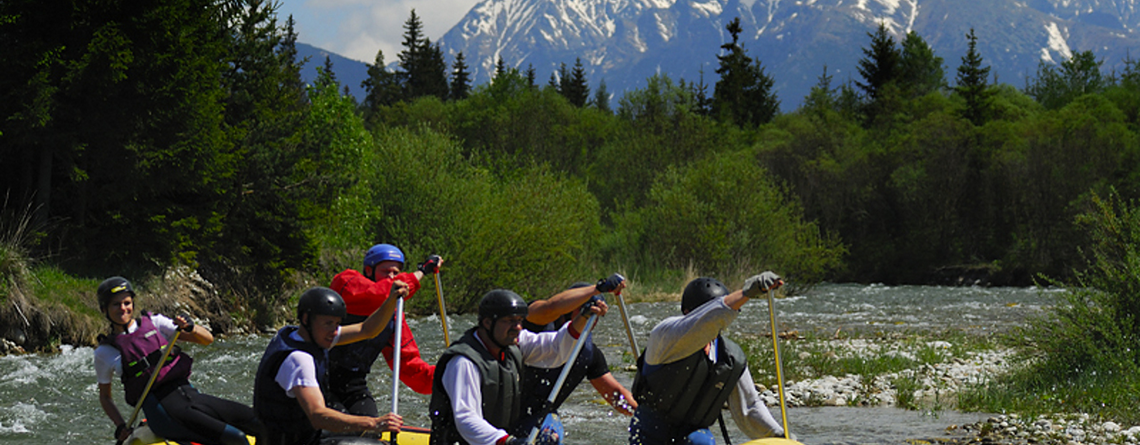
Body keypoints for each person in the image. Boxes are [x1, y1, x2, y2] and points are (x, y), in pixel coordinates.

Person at [94, 276, 263, 445]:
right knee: (237, 439)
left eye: (127, 303)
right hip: (162, 412)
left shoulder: (155, 323)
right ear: (104, 309)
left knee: (261, 423)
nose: (123, 308)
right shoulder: (105, 352)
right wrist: (120, 425)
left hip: (190, 395)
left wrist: (191, 327)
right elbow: (105, 398)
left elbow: (207, 339)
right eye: (116, 304)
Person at [429, 288, 608, 445]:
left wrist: (582, 318)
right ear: (487, 322)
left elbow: (555, 349)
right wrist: (507, 441)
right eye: (510, 321)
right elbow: (466, 418)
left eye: (520, 321)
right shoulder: (463, 362)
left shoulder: (514, 344)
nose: (518, 327)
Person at [628, 272, 788, 445]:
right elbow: (708, 320)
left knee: (702, 443)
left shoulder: (731, 357)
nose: (713, 325)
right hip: (651, 431)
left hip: (693, 431)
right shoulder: (666, 335)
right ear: (688, 313)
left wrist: (780, 436)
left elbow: (749, 408)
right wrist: (746, 292)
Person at [253, 284, 410, 445]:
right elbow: (318, 415)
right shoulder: (299, 360)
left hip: (300, 435)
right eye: (328, 323)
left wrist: (391, 300)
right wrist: (373, 423)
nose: (334, 331)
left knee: (364, 434)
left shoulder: (299, 335)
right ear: (306, 319)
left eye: (337, 324)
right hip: (292, 441)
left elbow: (366, 330)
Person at [327, 243, 442, 416]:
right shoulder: (346, 282)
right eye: (385, 271)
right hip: (316, 379)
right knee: (342, 428)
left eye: (395, 273)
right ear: (368, 271)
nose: (392, 277)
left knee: (369, 432)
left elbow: (410, 366)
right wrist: (421, 272)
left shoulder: (394, 316)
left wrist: (447, 376)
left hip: (352, 385)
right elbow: (377, 294)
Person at [520, 274, 637, 421]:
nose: (590, 319)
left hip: (540, 416)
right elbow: (551, 307)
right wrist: (597, 289)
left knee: (550, 437)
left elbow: (616, 395)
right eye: (584, 311)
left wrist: (645, 416)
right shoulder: (537, 323)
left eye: (596, 315)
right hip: (504, 410)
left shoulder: (589, 354)